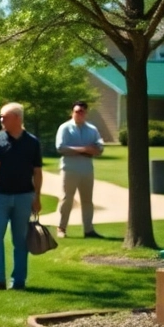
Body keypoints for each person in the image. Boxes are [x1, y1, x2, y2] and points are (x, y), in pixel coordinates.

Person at [0, 102, 43, 290]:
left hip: (24, 196)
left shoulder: (32, 142)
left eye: (4, 117)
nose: (1, 120)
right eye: (0, 116)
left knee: (21, 240)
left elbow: (37, 171)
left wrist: (37, 196)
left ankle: (19, 280)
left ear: (17, 118)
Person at [55, 101, 103, 238]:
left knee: (87, 200)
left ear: (86, 113)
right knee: (66, 199)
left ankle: (88, 230)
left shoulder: (92, 129)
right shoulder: (65, 128)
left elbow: (99, 148)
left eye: (82, 111)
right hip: (69, 169)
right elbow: (61, 148)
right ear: (72, 112)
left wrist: (79, 150)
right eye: (77, 111)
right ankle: (61, 228)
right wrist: (85, 149)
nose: (79, 114)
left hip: (87, 169)